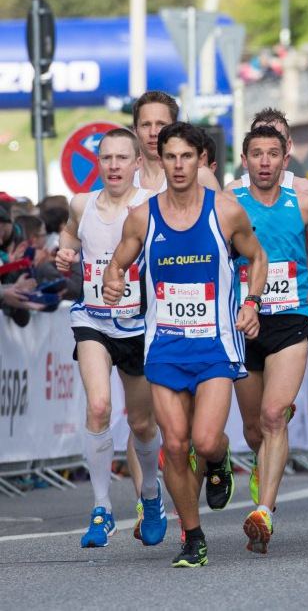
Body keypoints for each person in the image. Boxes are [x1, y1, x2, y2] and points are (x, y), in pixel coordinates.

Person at [103, 121, 267, 567]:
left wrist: (250, 302)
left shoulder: (226, 211)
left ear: (201, 161)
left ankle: (218, 460)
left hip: (215, 345)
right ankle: (193, 537)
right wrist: (112, 282)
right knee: (174, 446)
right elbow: (117, 263)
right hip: (165, 347)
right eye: (170, 156)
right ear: (161, 159)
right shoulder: (143, 216)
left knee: (205, 438)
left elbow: (257, 258)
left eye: (186, 157)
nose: (178, 165)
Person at [55, 128, 167, 548]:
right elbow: (70, 233)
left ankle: (151, 494)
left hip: (138, 324)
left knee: (141, 423)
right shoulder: (82, 203)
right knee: (98, 405)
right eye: (107, 159)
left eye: (123, 158)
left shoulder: (151, 206)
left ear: (138, 163)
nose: (114, 166)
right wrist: (66, 251)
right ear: (98, 164)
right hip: (93, 320)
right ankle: (101, 508)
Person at [229, 125, 308, 554]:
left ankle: (264, 511)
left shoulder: (303, 199)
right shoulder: (229, 201)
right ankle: (261, 469)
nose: (264, 162)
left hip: (290, 318)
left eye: (272, 154)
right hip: (243, 322)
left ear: (285, 158)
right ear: (244, 159)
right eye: (256, 154)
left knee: (273, 415)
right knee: (253, 428)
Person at [225, 108, 308, 230]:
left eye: (275, 137)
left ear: (288, 145)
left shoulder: (306, 190)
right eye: (261, 135)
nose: (268, 141)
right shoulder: (232, 192)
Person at [130, 91, 220, 192]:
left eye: (161, 124)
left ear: (174, 127)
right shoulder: (125, 179)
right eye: (146, 125)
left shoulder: (199, 176)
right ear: (135, 130)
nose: (153, 132)